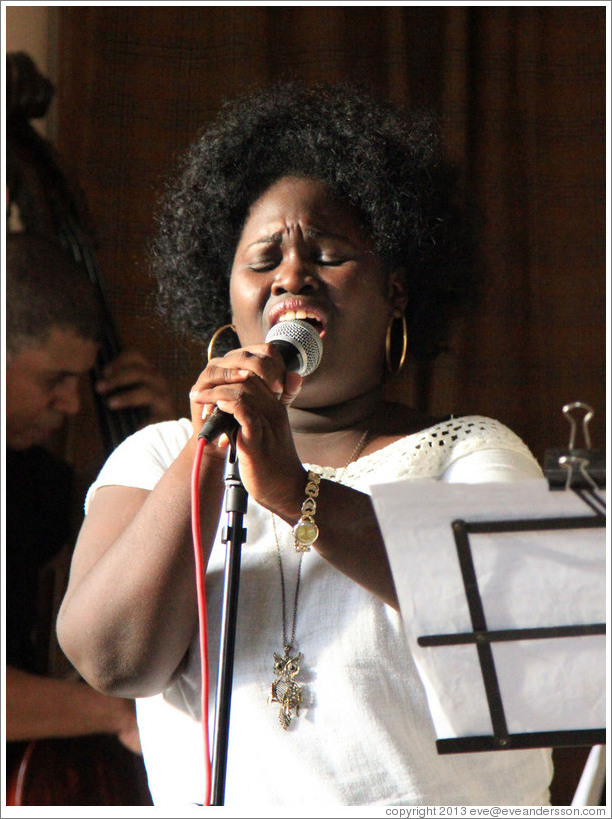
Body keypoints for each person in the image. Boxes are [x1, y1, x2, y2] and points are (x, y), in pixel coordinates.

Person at [56, 81, 553, 807]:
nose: (292, 273)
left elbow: (510, 624)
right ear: (224, 295)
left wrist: (293, 489)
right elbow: (114, 659)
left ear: (399, 290)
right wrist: (211, 452)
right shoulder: (161, 456)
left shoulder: (470, 452)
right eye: (263, 260)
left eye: (326, 252)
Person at [5, 231, 174, 784]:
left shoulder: (27, 475)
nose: (73, 404)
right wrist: (117, 713)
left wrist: (162, 449)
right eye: (53, 380)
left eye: (79, 382)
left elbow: (128, 566)